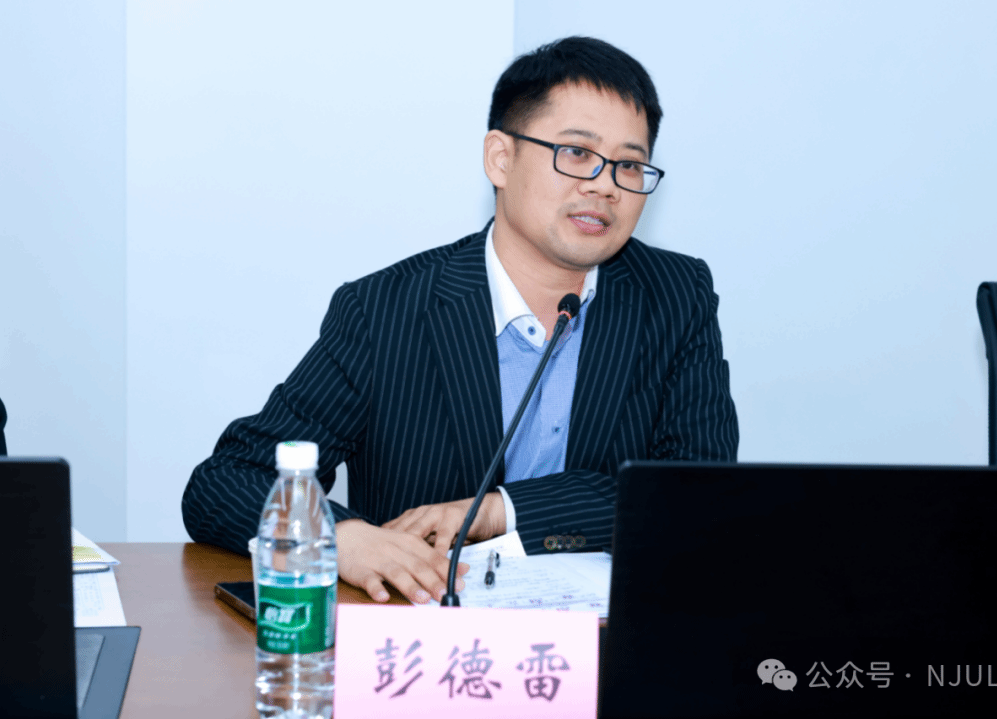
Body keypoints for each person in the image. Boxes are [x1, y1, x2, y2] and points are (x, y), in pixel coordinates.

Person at [183, 36, 738, 605]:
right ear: (501, 158)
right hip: (427, 635)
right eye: (576, 152)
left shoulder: (675, 295)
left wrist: (503, 510)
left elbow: (699, 494)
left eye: (629, 165)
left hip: (606, 637)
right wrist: (338, 538)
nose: (603, 185)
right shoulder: (387, 309)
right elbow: (226, 481)